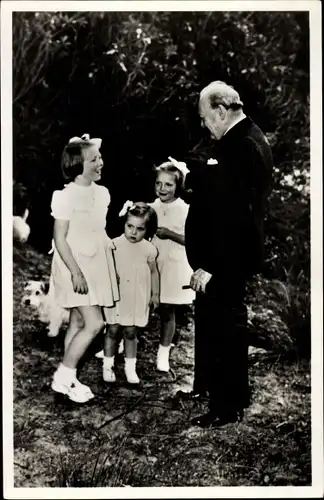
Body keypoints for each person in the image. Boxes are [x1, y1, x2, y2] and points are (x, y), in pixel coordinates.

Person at [178, 81, 273, 427]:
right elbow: (219, 190)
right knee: (213, 321)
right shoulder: (241, 139)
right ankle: (214, 389)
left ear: (220, 111)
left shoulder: (244, 146)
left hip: (228, 257)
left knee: (226, 327)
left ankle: (226, 407)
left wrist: (212, 268)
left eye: (205, 118)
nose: (204, 126)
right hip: (223, 255)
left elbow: (235, 218)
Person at [50, 134, 119, 403]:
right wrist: (76, 272)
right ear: (79, 165)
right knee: (95, 322)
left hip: (94, 263)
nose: (101, 163)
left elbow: (96, 231)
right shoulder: (65, 196)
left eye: (100, 158)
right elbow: (60, 239)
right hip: (72, 266)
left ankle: (70, 379)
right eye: (95, 159)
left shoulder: (101, 193)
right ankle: (63, 377)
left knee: (78, 321)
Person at [102, 203, 160, 384]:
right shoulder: (114, 245)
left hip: (136, 297)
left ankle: (130, 368)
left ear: (147, 230)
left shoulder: (149, 249)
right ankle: (107, 365)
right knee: (112, 329)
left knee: (130, 332)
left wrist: (155, 294)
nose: (134, 232)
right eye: (130, 227)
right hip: (117, 296)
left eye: (140, 229)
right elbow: (106, 269)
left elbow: (153, 272)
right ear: (124, 224)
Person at [149, 158, 195, 372]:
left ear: (178, 186)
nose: (162, 188)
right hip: (151, 262)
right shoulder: (151, 207)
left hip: (173, 264)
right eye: (159, 183)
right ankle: (120, 343)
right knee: (138, 303)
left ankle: (163, 353)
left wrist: (169, 234)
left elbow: (193, 240)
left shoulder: (184, 209)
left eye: (168, 184)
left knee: (167, 309)